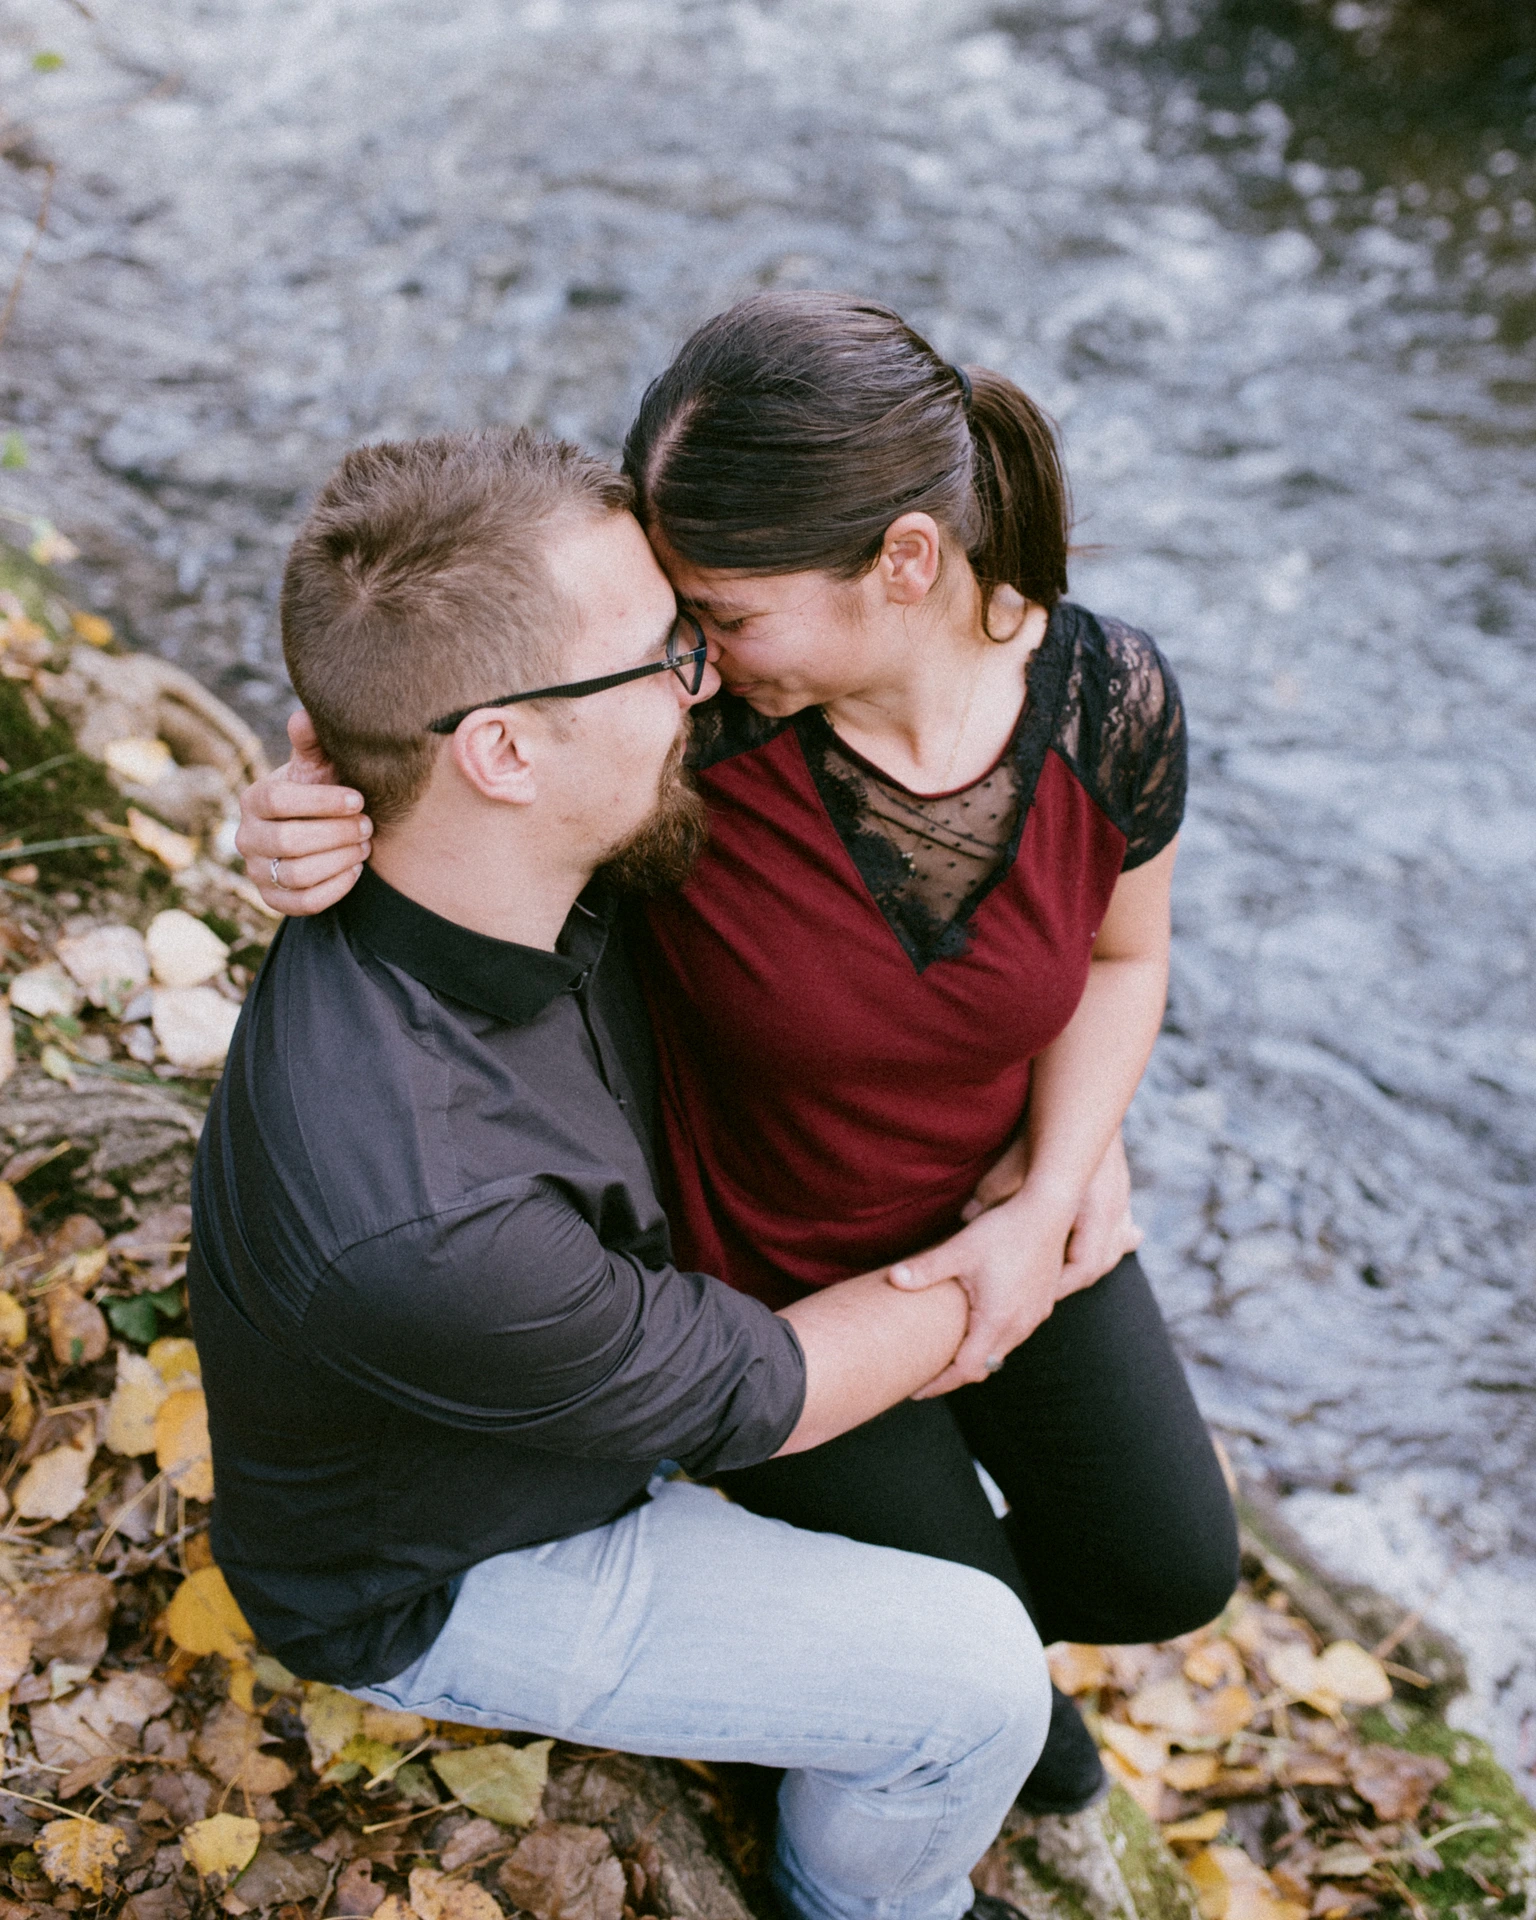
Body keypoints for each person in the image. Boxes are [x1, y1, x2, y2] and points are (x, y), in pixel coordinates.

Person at [236, 293, 1240, 1817]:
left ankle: (944, 1676)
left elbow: (1124, 954)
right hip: (768, 1281)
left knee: (1172, 1571)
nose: (692, 659)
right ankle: (913, 1705)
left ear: (905, 563)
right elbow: (473, 726)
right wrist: (305, 804)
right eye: (674, 629)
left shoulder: (1111, 701)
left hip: (999, 1208)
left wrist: (1060, 1184)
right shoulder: (690, 747)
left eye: (727, 617)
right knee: (1028, 1741)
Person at [193, 427, 1050, 1920]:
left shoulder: (500, 836)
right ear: (504, 750)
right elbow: (749, 1387)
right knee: (980, 1685)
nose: (702, 687)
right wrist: (1017, 1255)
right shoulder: (428, 1211)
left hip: (594, 1363)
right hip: (467, 1556)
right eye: (665, 656)